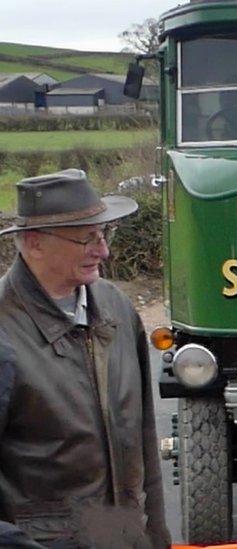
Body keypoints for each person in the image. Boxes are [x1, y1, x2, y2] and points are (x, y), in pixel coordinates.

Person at [0, 169, 171, 548]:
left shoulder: (116, 307)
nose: (103, 250)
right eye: (86, 238)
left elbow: (144, 443)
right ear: (34, 243)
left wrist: (157, 537)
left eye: (103, 234)